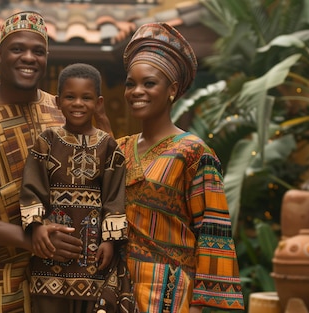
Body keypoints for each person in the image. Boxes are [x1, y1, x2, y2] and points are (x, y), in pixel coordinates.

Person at [0, 12, 109, 313]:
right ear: (0, 53)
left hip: (65, 285)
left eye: (38, 51)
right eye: (18, 49)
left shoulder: (62, 110)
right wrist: (33, 239)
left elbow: (100, 179)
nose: (28, 57)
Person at [117, 22, 246, 312]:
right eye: (130, 83)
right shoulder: (118, 149)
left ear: (172, 89)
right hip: (119, 293)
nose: (137, 91)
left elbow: (213, 232)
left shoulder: (194, 153)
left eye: (149, 83)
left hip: (170, 296)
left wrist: (199, 306)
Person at [19, 63, 130, 313]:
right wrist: (36, 228)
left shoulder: (108, 146)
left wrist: (110, 242)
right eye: (70, 97)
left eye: (86, 97)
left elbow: (114, 197)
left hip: (92, 257)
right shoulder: (46, 141)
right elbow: (32, 187)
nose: (78, 103)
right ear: (58, 101)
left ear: (98, 102)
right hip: (50, 252)